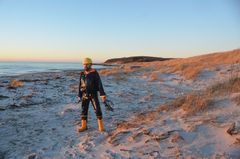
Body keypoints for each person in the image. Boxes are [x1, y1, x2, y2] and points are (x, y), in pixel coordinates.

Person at [77, 57, 107, 132]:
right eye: (84, 64)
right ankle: (84, 126)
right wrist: (79, 95)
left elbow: (99, 84)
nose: (85, 66)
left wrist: (102, 94)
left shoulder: (95, 73)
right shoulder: (82, 74)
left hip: (93, 94)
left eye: (86, 65)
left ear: (90, 65)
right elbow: (80, 84)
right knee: (84, 110)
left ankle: (100, 127)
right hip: (84, 95)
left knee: (97, 109)